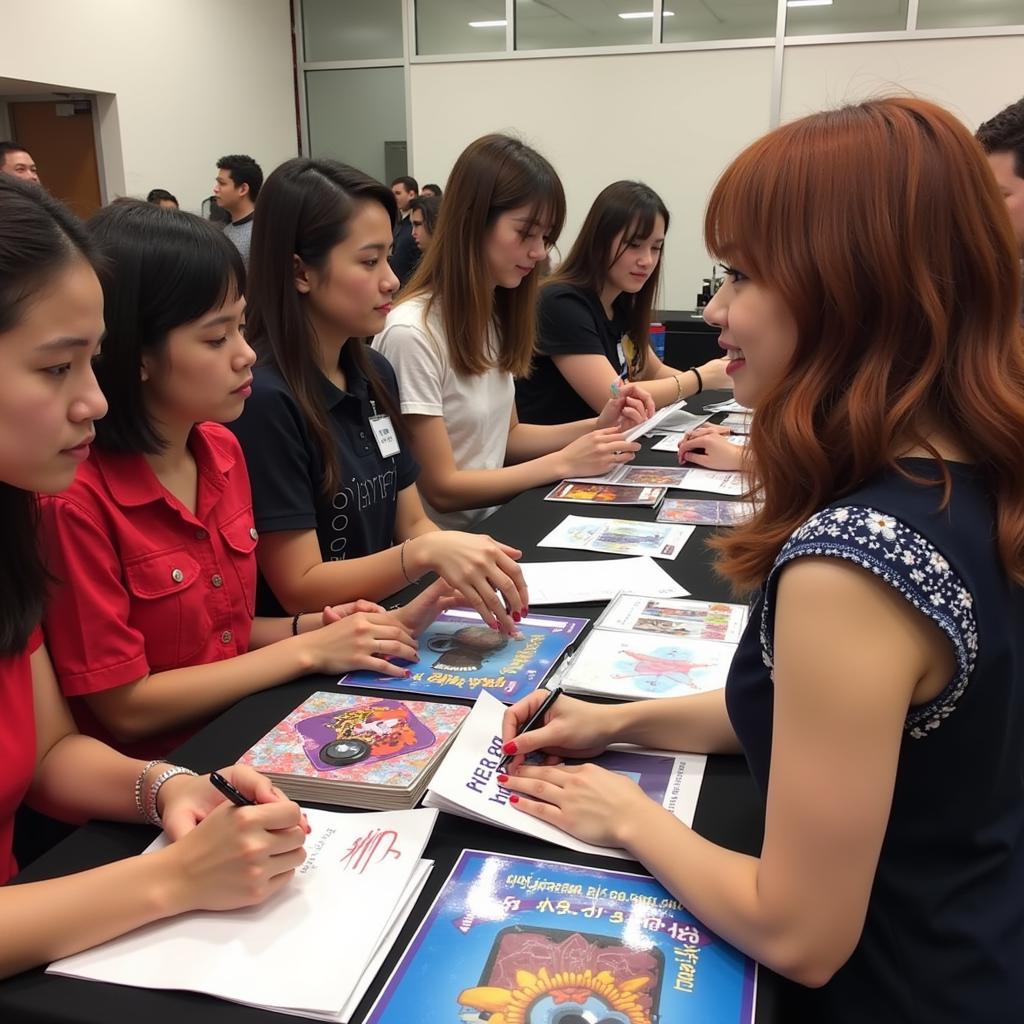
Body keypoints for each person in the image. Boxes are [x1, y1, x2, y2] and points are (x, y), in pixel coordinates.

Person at [498, 97, 1024, 1023]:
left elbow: (799, 934)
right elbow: (834, 719)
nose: (716, 311)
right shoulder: (974, 474)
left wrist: (627, 817)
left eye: (742, 275)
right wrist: (619, 724)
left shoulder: (853, 567)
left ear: (850, 288)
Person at [0, 175, 307, 979]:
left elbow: (51, 751)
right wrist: (170, 878)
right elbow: (118, 702)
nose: (93, 403)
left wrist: (167, 787)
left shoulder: (12, 519)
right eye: (57, 368)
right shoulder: (64, 504)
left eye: (91, 364)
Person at [39, 199, 439, 760]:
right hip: (161, 772)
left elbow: (219, 638)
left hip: (249, 726)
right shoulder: (76, 500)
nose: (246, 355)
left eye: (242, 328)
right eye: (214, 338)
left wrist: (311, 629)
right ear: (137, 355)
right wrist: (308, 650)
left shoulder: (221, 450)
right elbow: (126, 706)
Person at [229, 158, 529, 635]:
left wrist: (459, 561)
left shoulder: (374, 374)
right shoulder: (265, 399)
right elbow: (299, 586)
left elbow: (412, 521)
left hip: (389, 622)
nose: (390, 279)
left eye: (389, 256)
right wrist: (425, 553)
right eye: (369, 262)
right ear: (300, 272)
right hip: (316, 651)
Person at [373, 134, 653, 530]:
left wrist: (598, 426)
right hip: (446, 550)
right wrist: (563, 462)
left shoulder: (492, 318)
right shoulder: (412, 333)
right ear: (472, 222)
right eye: (526, 233)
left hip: (494, 527)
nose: (539, 252)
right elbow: (442, 488)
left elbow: (509, 437)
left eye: (545, 237)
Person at [515, 180, 730, 425]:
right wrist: (702, 377)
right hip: (557, 456)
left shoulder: (621, 304)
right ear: (599, 241)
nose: (647, 260)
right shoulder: (560, 303)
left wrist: (720, 380)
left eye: (656, 248)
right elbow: (613, 398)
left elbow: (655, 371)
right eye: (634, 245)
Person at [214, 154, 262, 266]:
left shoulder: (260, 233)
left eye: (222, 183)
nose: (215, 189)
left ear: (243, 189)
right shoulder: (226, 230)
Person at [388, 175, 421, 288]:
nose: (394, 198)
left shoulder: (418, 223)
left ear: (411, 194)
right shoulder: (398, 221)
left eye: (398, 193)